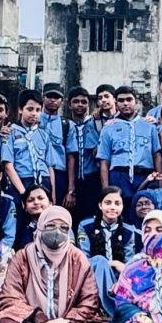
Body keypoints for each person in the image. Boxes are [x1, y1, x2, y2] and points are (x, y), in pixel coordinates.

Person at [0, 206, 105, 323]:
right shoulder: (23, 257)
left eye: (63, 228)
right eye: (51, 226)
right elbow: (10, 297)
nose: (57, 232)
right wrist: (43, 321)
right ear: (40, 226)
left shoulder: (78, 258)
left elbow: (89, 302)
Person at [98, 87, 162, 199]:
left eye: (129, 99)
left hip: (145, 175)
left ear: (136, 102)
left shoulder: (149, 126)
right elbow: (104, 161)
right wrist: (106, 190)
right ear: (116, 103)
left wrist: (160, 184)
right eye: (121, 100)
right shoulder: (108, 128)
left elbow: (157, 155)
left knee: (144, 206)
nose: (125, 103)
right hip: (119, 176)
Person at [3, 90, 56, 201]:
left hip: (43, 181)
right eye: (30, 109)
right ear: (20, 109)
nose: (34, 113)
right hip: (22, 180)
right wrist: (24, 193)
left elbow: (50, 166)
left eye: (38, 110)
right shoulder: (10, 133)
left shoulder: (44, 135)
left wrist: (53, 195)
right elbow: (8, 166)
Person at [64, 87, 104, 222]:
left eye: (83, 102)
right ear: (69, 104)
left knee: (91, 216)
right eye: (76, 101)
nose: (80, 105)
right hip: (70, 179)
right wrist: (71, 189)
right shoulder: (65, 125)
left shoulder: (96, 123)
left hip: (93, 178)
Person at [77, 186, 140, 271]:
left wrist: (116, 265)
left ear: (122, 206)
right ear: (100, 205)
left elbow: (128, 264)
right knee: (99, 260)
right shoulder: (86, 226)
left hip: (119, 275)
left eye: (117, 203)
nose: (112, 207)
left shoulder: (128, 230)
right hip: (92, 273)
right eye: (108, 203)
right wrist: (104, 264)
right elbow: (84, 258)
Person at [14, 184, 53, 249]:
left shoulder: (60, 223)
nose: (36, 202)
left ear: (50, 203)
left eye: (40, 198)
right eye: (30, 200)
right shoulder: (20, 229)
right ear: (25, 207)